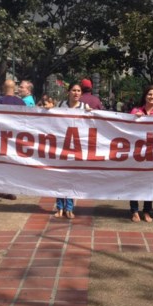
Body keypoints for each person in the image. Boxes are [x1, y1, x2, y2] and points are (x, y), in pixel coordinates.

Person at [129, 84, 153, 223]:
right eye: (150, 94)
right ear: (145, 95)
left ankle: (147, 211)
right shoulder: (135, 111)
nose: (152, 97)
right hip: (137, 153)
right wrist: (134, 119)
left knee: (150, 182)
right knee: (135, 182)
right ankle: (134, 211)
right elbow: (126, 129)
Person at [53, 82, 89, 219]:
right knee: (60, 178)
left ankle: (69, 207)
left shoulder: (85, 107)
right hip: (61, 145)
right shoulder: (60, 105)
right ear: (69, 92)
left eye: (79, 91)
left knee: (71, 178)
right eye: (74, 90)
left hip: (77, 147)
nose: (76, 93)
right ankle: (59, 207)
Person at [0, 79, 25, 201]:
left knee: (0, 164)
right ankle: (9, 190)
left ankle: (1, 189)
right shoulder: (21, 102)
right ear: (14, 88)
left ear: (4, 89)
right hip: (16, 139)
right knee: (12, 164)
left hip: (2, 138)